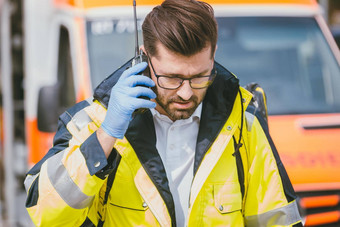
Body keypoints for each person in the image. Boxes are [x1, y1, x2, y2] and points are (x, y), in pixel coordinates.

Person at [24, 0, 302, 226]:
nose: (185, 92)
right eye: (172, 77)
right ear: (144, 57)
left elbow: (277, 221)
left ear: (214, 54)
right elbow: (47, 216)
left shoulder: (244, 126)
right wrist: (106, 136)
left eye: (199, 77)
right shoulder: (90, 123)